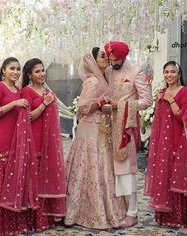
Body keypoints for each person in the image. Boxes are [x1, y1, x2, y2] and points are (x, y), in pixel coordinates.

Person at [64, 47, 126, 229]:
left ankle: (102, 208)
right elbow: (83, 108)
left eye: (106, 55)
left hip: (100, 128)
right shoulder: (92, 81)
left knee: (100, 167)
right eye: (102, 56)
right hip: (90, 129)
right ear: (93, 61)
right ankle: (83, 211)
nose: (106, 57)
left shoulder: (102, 78)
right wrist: (101, 102)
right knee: (90, 167)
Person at [104, 41, 153, 228]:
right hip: (107, 126)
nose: (111, 63)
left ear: (123, 57)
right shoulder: (108, 71)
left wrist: (123, 105)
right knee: (111, 170)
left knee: (126, 170)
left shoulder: (136, 71)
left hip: (126, 127)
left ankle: (132, 213)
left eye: (115, 60)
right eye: (109, 59)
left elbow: (147, 100)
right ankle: (117, 210)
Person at [144, 61, 187, 227]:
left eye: (173, 72)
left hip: (178, 142)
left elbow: (183, 117)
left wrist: (171, 100)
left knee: (177, 178)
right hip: (163, 144)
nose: (169, 75)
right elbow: (159, 120)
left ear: (179, 74)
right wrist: (160, 101)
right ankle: (164, 217)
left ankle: (180, 218)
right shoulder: (162, 91)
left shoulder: (184, 91)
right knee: (164, 177)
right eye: (166, 72)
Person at [0, 57, 34, 235]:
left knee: (16, 180)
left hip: (18, 139)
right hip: (3, 137)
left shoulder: (19, 89)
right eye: (12, 68)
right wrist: (14, 103)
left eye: (18, 69)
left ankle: (13, 224)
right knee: (3, 178)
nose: (15, 72)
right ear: (3, 70)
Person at [21, 58, 66, 227]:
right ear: (29, 75)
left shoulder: (47, 89)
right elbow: (28, 117)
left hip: (49, 142)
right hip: (34, 140)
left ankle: (48, 216)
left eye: (43, 70)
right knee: (34, 179)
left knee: (47, 177)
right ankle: (34, 219)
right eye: (37, 71)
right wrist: (44, 104)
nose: (42, 74)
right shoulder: (27, 91)